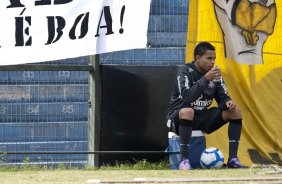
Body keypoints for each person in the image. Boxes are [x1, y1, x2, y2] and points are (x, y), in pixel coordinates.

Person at [166, 42, 245, 170]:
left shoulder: (215, 74)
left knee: (235, 111)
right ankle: (184, 161)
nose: (212, 62)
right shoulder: (184, 71)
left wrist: (228, 102)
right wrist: (205, 79)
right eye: (209, 58)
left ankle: (233, 159)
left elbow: (222, 97)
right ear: (198, 58)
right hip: (178, 118)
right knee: (188, 111)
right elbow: (186, 98)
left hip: (201, 117)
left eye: (214, 58)